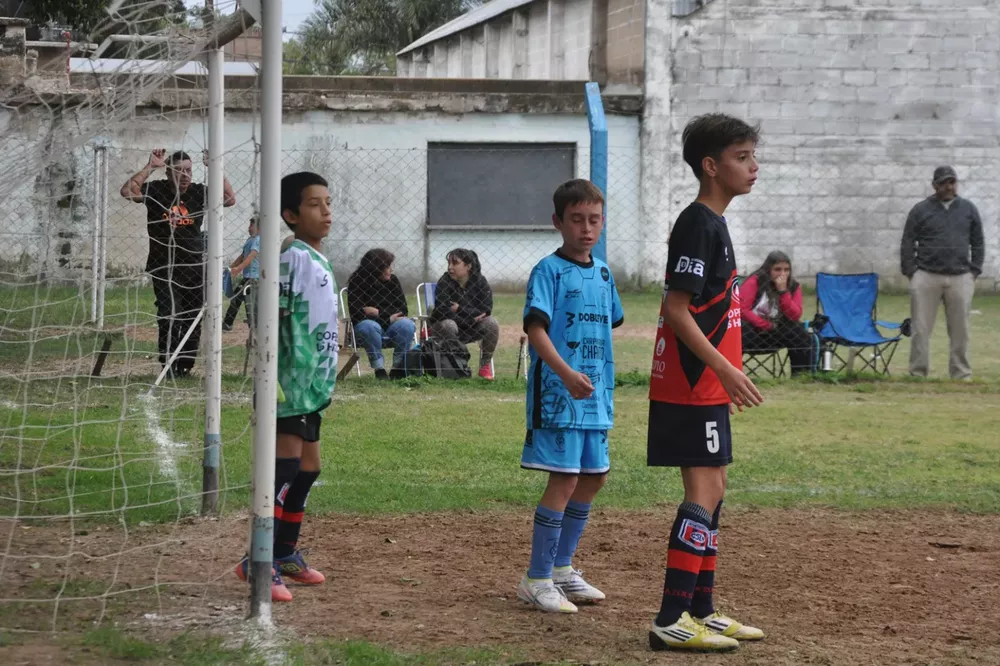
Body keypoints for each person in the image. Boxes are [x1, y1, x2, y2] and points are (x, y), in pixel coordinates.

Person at [647, 114, 766, 652]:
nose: (753, 166)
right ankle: (670, 617)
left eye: (752, 155)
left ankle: (703, 609)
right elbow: (676, 308)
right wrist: (722, 366)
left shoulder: (715, 223)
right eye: (742, 157)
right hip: (692, 383)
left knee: (714, 491)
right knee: (702, 490)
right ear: (711, 166)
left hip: (709, 385)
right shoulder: (698, 223)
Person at [516, 179, 624, 614]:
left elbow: (609, 323)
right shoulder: (548, 270)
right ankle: (536, 578)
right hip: (559, 396)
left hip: (595, 397)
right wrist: (565, 373)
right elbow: (535, 330)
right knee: (564, 479)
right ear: (558, 222)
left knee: (594, 477)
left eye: (594, 220)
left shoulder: (603, 272)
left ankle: (562, 569)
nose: (586, 228)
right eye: (576, 220)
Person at [235, 172, 337, 601]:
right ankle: (257, 560)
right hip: (289, 384)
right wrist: (271, 376)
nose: (326, 210)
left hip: (311, 385)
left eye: (328, 202)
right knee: (286, 467)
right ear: (291, 214)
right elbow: (267, 312)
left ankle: (285, 553)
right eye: (314, 204)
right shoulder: (291, 257)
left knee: (309, 469)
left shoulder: (317, 259)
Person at [120, 148, 236, 377]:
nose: (185, 175)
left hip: (193, 265)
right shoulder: (156, 190)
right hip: (163, 265)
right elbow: (127, 191)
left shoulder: (198, 192)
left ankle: (185, 366)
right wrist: (151, 166)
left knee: (193, 316)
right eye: (179, 170)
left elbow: (230, 199)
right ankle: (168, 365)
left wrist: (215, 168)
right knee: (169, 314)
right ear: (168, 172)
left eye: (189, 170)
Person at [901, 166, 985, 380]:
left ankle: (961, 374)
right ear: (934, 185)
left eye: (952, 182)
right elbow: (908, 241)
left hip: (960, 276)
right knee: (920, 329)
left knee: (960, 330)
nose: (949, 187)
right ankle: (917, 373)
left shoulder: (968, 209)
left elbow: (978, 241)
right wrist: (912, 271)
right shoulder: (920, 210)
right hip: (926, 275)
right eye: (944, 183)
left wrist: (974, 270)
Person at [740, 251, 816, 375]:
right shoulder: (755, 281)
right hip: (752, 332)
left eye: (786, 270)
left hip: (777, 332)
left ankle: (802, 375)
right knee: (738, 328)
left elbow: (795, 315)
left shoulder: (794, 286)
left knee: (799, 331)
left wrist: (783, 292)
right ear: (768, 269)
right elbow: (742, 309)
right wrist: (764, 324)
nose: (782, 274)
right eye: (777, 269)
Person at [428, 248, 500, 380]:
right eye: (449, 263)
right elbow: (443, 312)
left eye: (454, 263)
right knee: (449, 324)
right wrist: (470, 319)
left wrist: (460, 309)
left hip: (469, 328)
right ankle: (456, 366)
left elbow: (485, 309)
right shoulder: (444, 282)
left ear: (468, 266)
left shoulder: (480, 281)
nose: (450, 267)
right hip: (443, 328)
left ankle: (485, 365)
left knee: (492, 323)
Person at [347, 249, 417, 379]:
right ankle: (379, 369)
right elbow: (356, 315)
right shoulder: (357, 282)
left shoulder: (393, 281)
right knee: (368, 325)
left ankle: (398, 367)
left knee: (407, 324)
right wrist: (389, 317)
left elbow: (402, 310)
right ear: (376, 268)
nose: (391, 269)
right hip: (369, 331)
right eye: (388, 266)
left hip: (392, 327)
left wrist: (378, 313)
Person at [223, 216, 260, 332]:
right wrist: (231, 267)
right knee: (236, 299)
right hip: (247, 278)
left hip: (254, 278)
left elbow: (251, 256)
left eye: (251, 225)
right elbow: (243, 256)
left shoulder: (259, 240)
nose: (249, 228)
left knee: (250, 303)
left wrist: (238, 269)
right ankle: (227, 324)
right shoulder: (250, 240)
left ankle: (254, 326)